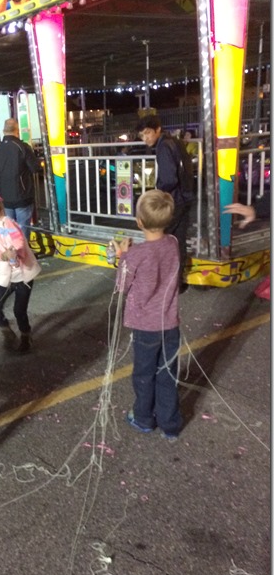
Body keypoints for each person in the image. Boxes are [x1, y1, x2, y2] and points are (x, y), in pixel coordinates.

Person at [113, 189, 182, 442]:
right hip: (170, 324)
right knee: (167, 374)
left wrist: (122, 256)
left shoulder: (136, 254)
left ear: (139, 222)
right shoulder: (173, 242)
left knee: (144, 373)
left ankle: (143, 417)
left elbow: (122, 285)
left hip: (145, 326)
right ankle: (170, 424)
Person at [137, 115, 194, 293]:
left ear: (158, 129)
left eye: (147, 133)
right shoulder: (175, 142)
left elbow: (169, 179)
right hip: (185, 198)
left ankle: (160, 284)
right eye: (142, 135)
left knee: (158, 240)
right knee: (178, 242)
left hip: (172, 201)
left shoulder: (163, 147)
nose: (145, 138)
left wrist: (157, 192)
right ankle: (177, 284)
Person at [0, 195, 41, 353]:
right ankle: (7, 332)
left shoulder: (7, 224)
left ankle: (26, 336)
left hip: (24, 275)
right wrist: (4, 256)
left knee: (19, 311)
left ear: (0, 212)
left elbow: (18, 240)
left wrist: (15, 252)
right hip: (7, 276)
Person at [0, 118, 39, 241]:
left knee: (9, 230)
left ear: (4, 130)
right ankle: (22, 251)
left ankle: (12, 251)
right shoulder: (22, 147)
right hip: (22, 195)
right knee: (23, 231)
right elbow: (35, 168)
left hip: (4, 196)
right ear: (17, 130)